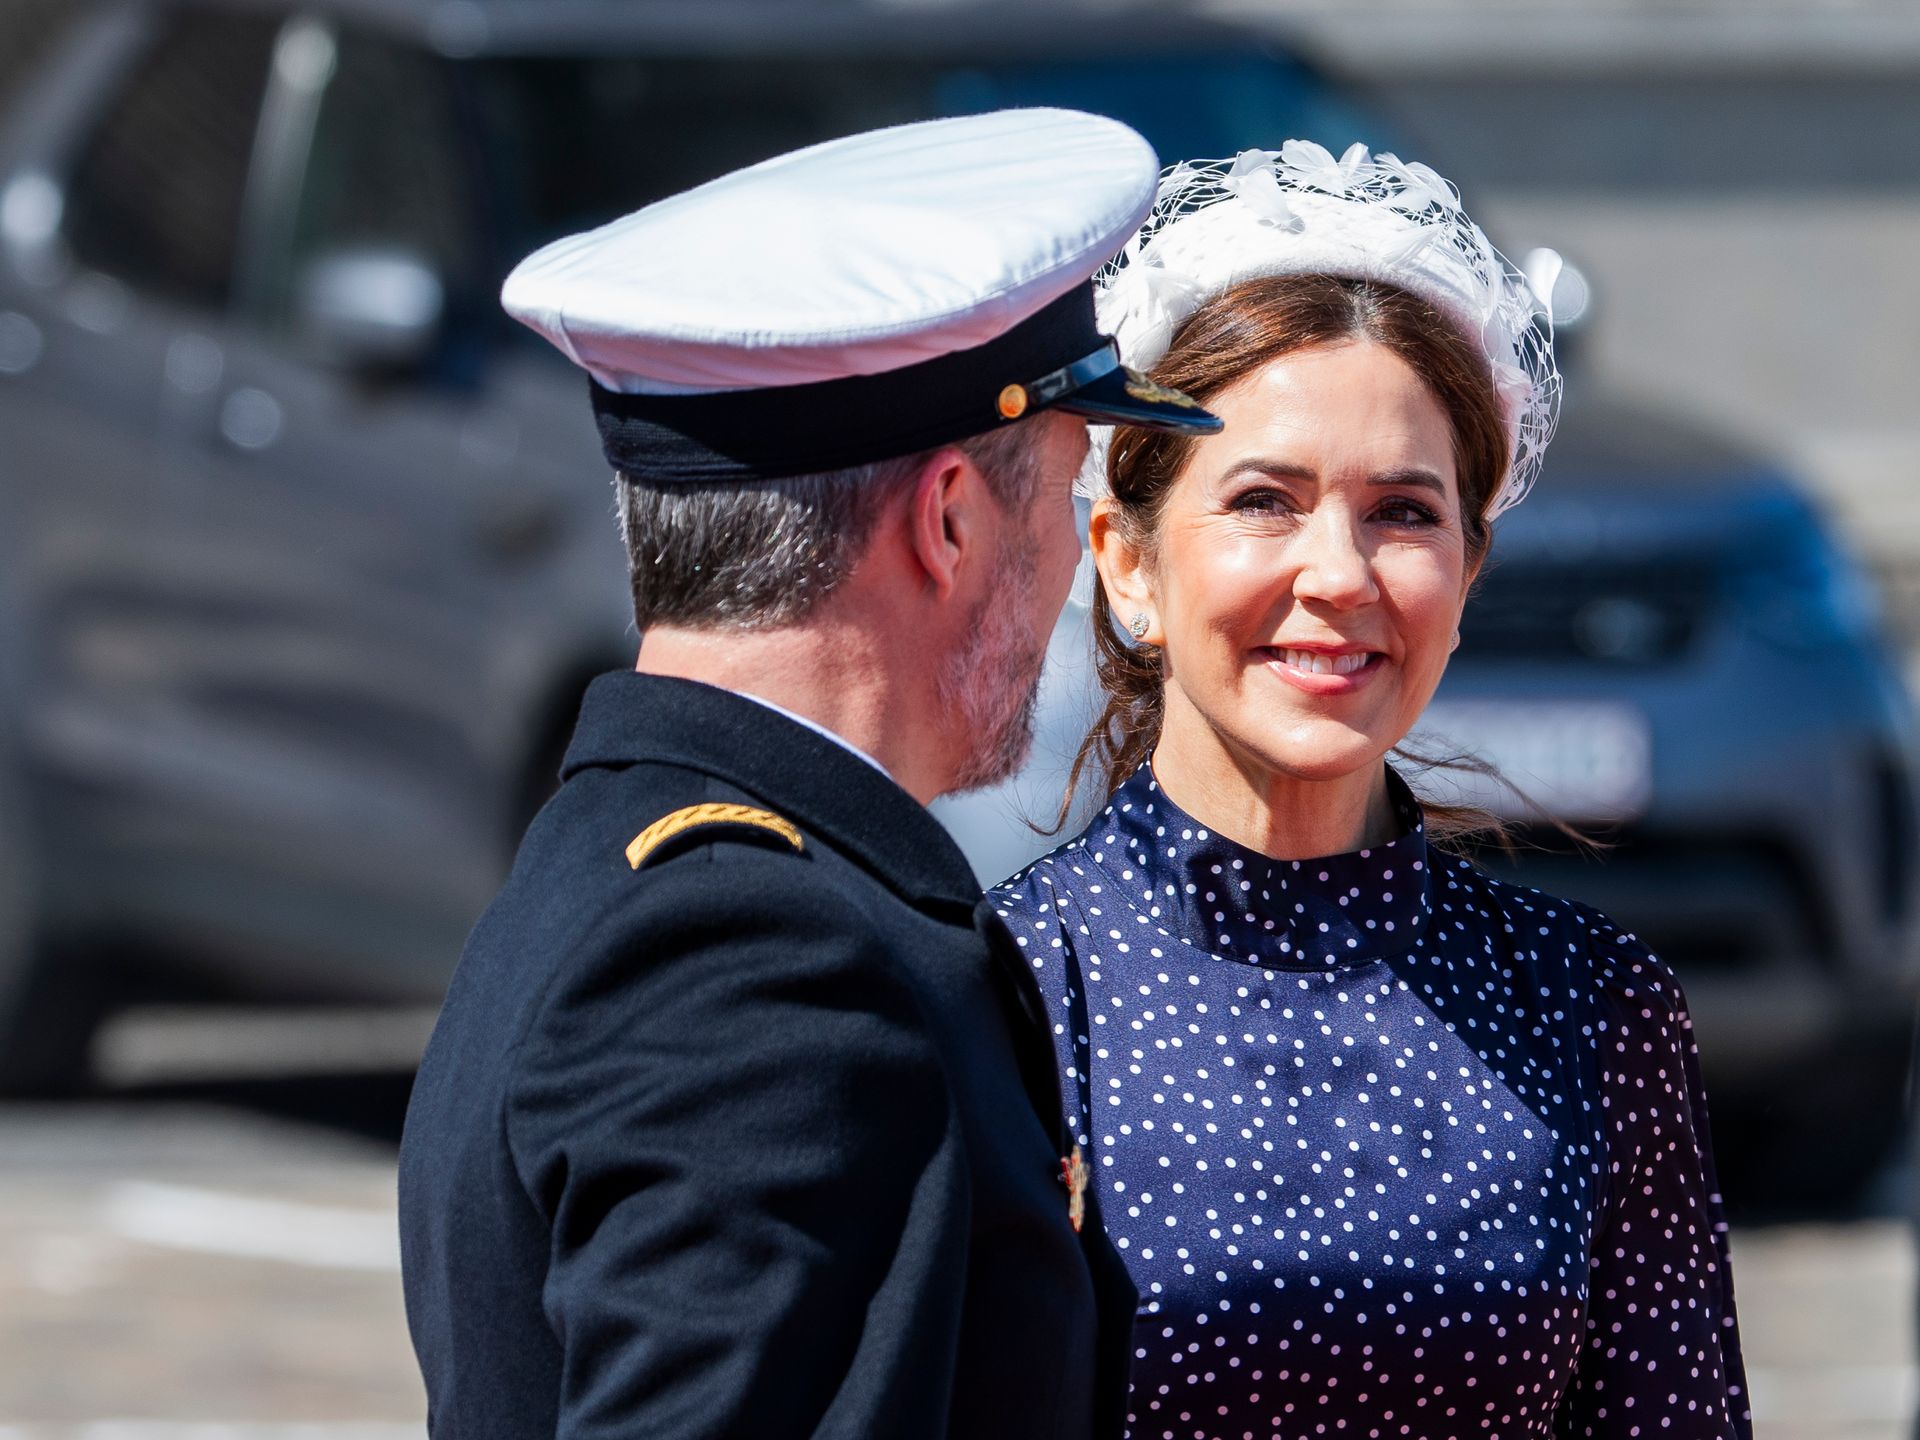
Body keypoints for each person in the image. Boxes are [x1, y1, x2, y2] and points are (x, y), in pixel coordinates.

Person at [396, 109, 1224, 1440]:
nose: (1079, 570)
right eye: (1066, 499)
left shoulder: (622, 866)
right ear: (952, 517)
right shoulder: (755, 960)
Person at [992, 142, 1750, 1439]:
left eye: (1403, 512)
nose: (1339, 574)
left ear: (1467, 573)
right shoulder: (999, 995)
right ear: (1125, 560)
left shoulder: (1595, 1012)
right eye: (1264, 501)